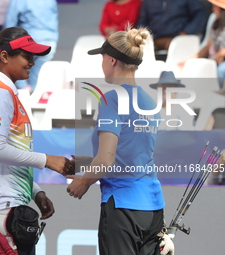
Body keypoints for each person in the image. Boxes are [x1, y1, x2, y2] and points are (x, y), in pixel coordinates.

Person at [0, 26, 74, 254]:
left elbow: (5, 157)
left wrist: (35, 191)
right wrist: (48, 160)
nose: (32, 62)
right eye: (27, 55)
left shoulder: (3, 91)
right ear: (4, 56)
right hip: (2, 211)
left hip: (6, 209)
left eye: (33, 56)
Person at [66, 27, 173, 254]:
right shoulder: (149, 102)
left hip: (123, 207)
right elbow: (132, 155)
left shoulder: (112, 99)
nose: (101, 63)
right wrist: (85, 163)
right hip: (153, 207)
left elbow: (106, 161)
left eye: (102, 57)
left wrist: (83, 182)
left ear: (112, 59)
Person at [4, 0, 58, 93]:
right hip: (49, 40)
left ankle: (25, 93)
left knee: (18, 70)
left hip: (29, 40)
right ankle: (32, 95)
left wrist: (5, 39)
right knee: (36, 77)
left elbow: (10, 20)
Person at [137, 0, 206, 51]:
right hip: (154, 40)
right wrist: (144, 36)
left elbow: (199, 15)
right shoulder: (147, 2)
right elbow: (142, 22)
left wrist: (187, 32)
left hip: (179, 38)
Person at [190, 0, 225, 88]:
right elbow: (208, 45)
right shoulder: (214, 21)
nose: (212, 8)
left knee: (221, 71)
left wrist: (221, 54)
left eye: (215, 6)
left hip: (220, 62)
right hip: (214, 60)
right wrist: (190, 60)